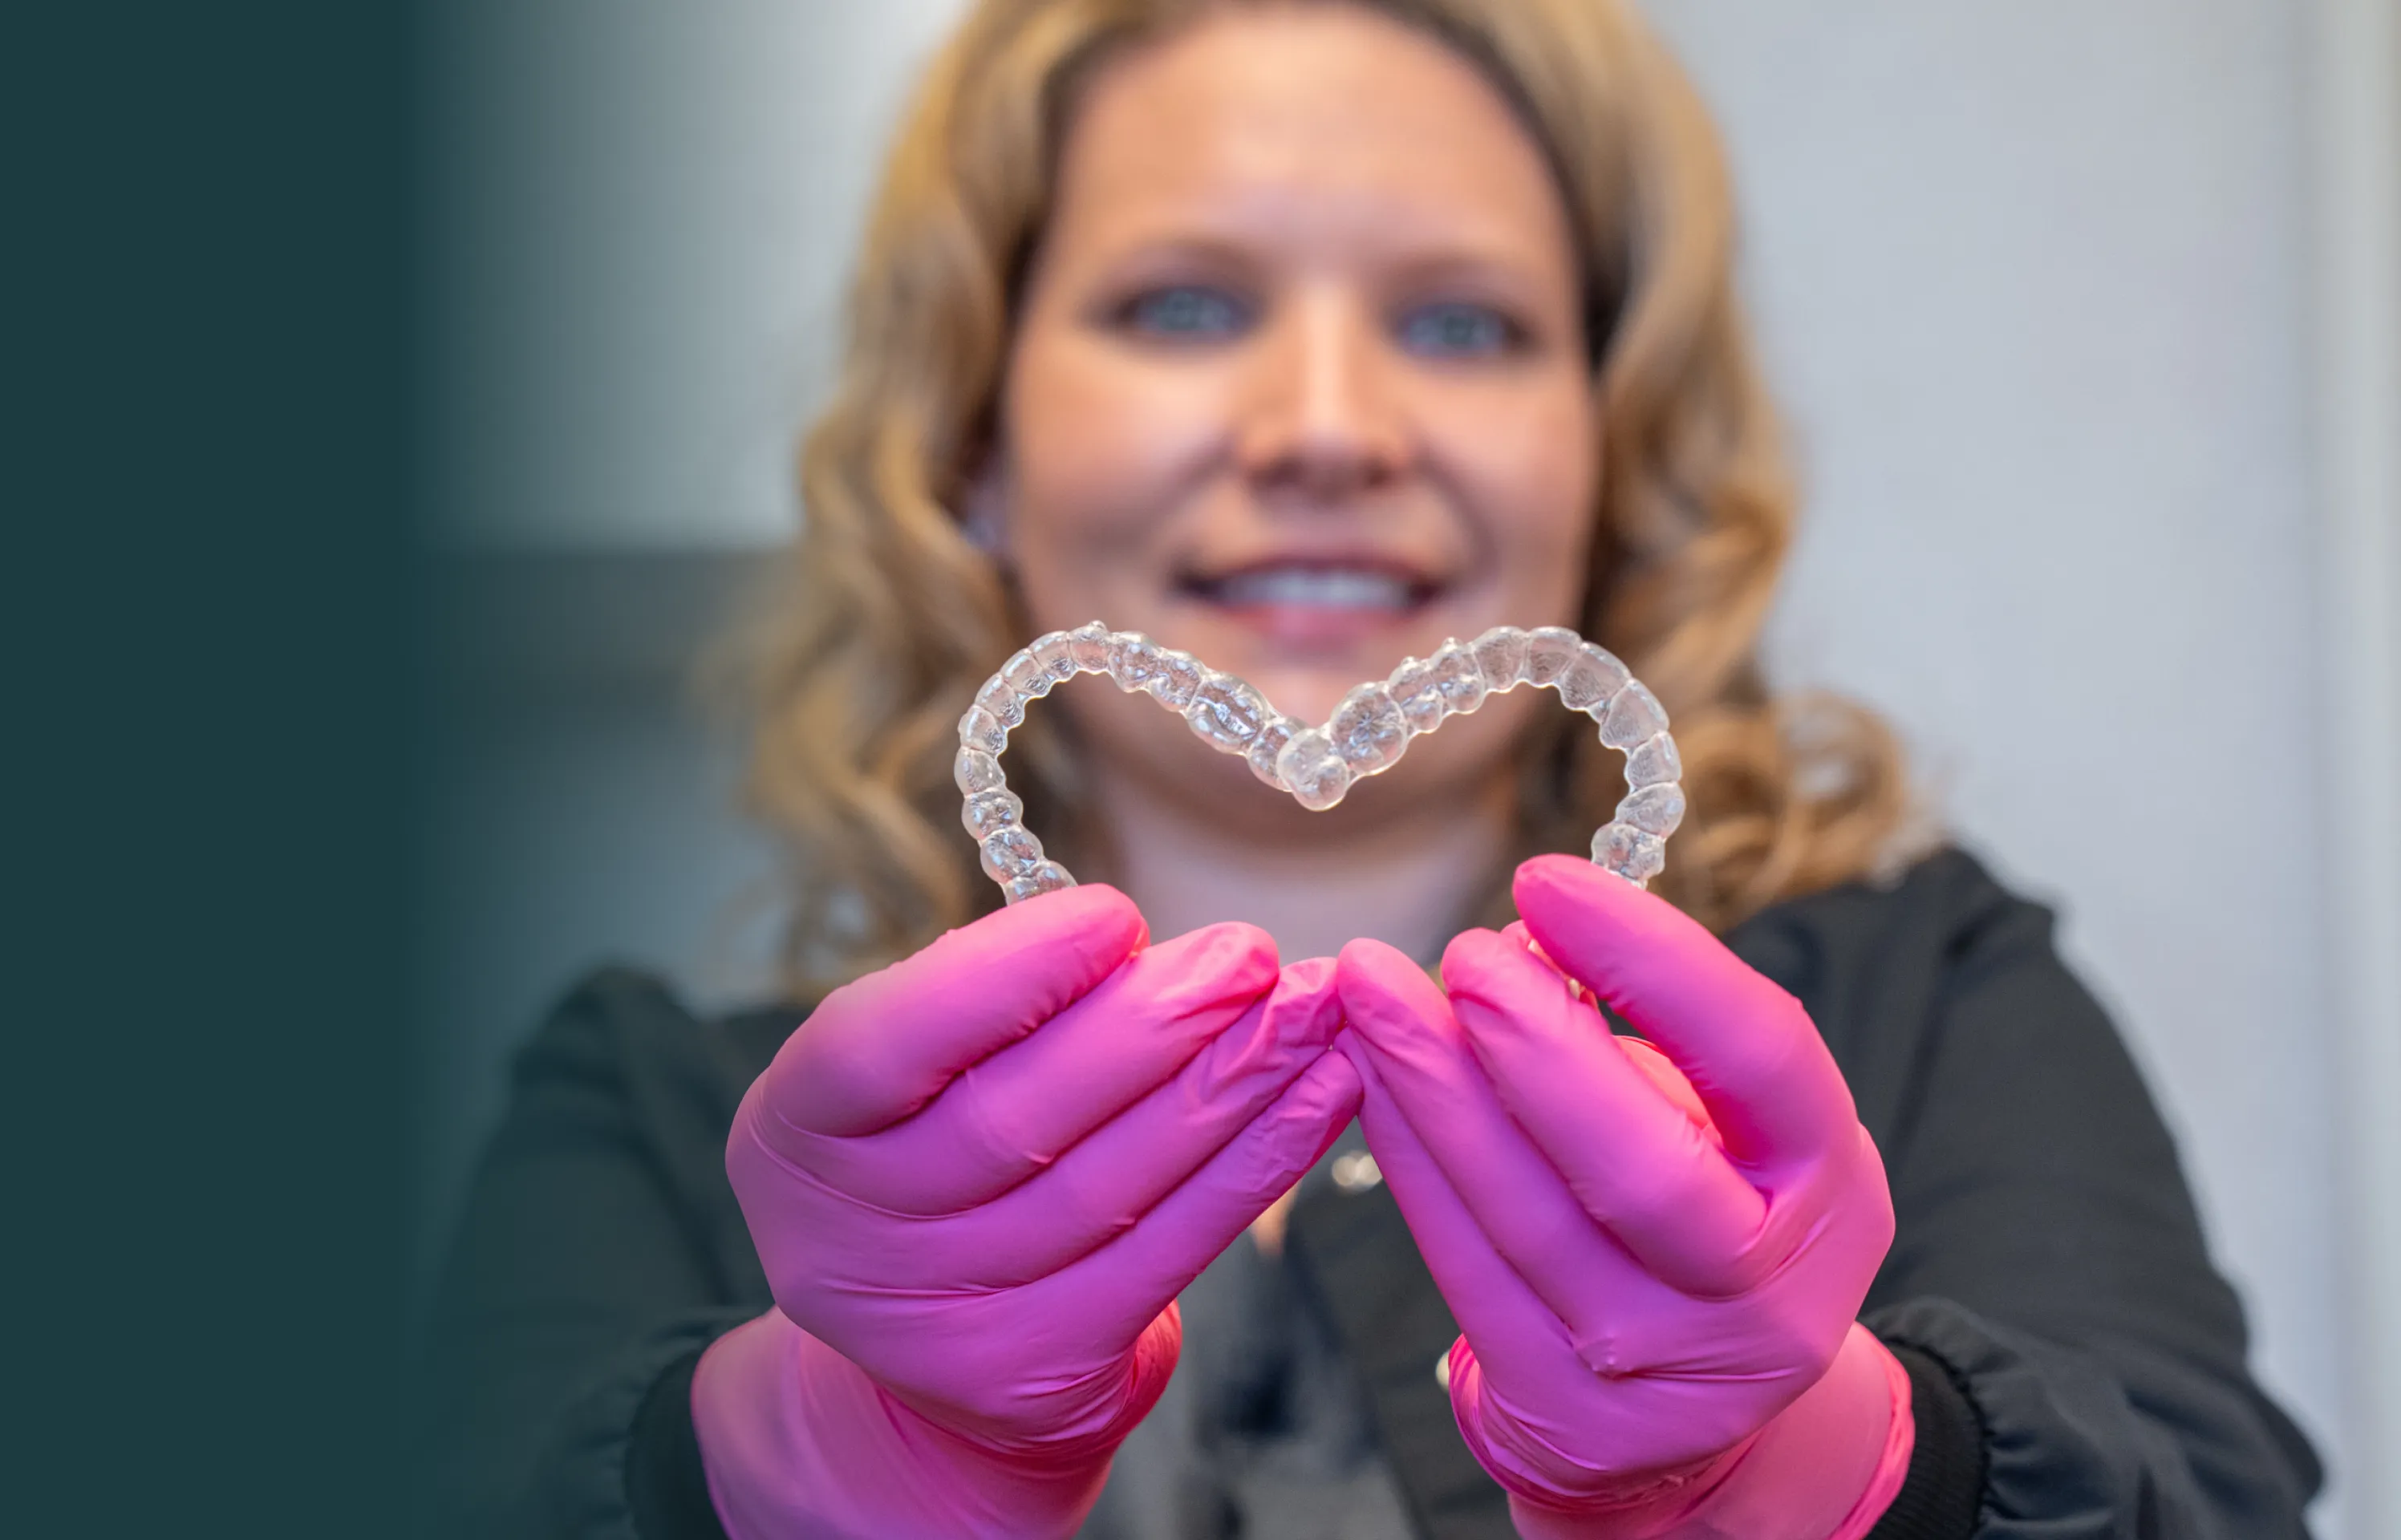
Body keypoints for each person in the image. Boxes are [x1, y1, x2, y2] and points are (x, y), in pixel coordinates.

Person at [427, 1, 2326, 1534]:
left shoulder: (1931, 992)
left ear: (1610, 450)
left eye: (1460, 322)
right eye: (1182, 304)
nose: (1329, 428)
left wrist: (1840, 1471)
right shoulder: (657, 1108)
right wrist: (771, 1465)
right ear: (973, 444)